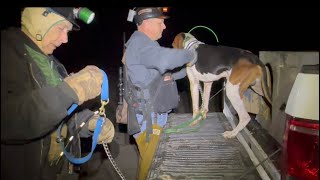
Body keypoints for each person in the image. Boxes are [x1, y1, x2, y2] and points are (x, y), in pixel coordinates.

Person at [1, 7, 115, 180]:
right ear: (41, 22)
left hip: (56, 170)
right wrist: (70, 91)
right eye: (61, 29)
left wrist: (88, 123)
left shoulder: (53, 63)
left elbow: (62, 115)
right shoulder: (6, 52)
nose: (65, 39)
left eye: (68, 32)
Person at [123, 7, 197, 180]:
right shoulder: (140, 43)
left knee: (148, 163)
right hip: (149, 120)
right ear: (146, 23)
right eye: (160, 22)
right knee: (153, 169)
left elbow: (163, 73)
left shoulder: (146, 45)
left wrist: (188, 70)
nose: (164, 27)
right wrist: (192, 54)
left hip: (151, 116)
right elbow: (165, 59)